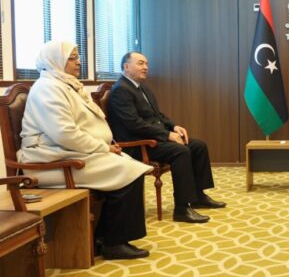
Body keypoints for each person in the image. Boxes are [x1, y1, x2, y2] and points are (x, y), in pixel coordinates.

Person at [18, 41, 152, 260]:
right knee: (130, 172)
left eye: (77, 56)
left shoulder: (68, 85)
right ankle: (114, 243)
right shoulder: (47, 88)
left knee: (131, 166)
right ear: (55, 60)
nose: (79, 61)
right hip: (50, 161)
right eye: (72, 58)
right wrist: (103, 147)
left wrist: (106, 146)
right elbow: (64, 134)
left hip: (73, 153)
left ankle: (103, 237)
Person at [107, 52, 225, 224]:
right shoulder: (121, 90)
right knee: (181, 151)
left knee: (198, 145)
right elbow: (134, 124)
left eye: (146, 64)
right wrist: (167, 135)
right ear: (126, 66)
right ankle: (182, 208)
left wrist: (173, 126)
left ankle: (198, 196)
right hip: (137, 145)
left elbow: (158, 115)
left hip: (154, 138)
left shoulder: (143, 88)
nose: (145, 67)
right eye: (140, 63)